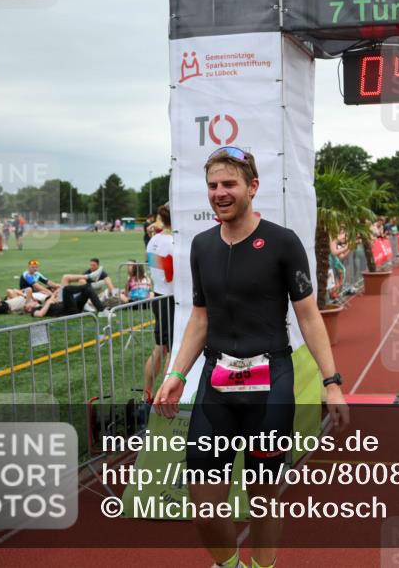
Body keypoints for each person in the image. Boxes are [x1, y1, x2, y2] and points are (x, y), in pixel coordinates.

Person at [154, 147, 348, 568]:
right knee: (205, 509)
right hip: (217, 385)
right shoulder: (202, 246)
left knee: (264, 505)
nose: (219, 193)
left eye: (229, 184)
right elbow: (200, 318)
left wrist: (332, 384)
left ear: (252, 187)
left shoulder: (282, 242)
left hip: (270, 384)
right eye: (212, 186)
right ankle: (231, 565)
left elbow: (310, 318)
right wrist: (176, 374)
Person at [144, 205, 174, 403]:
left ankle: (147, 394)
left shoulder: (154, 239)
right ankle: (164, 397)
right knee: (172, 351)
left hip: (159, 295)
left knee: (159, 348)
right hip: (171, 298)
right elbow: (173, 273)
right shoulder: (173, 241)